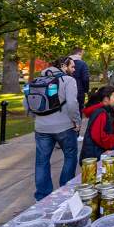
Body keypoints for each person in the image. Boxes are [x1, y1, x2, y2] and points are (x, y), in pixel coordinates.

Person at [24, 56, 81, 201]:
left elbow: (26, 103)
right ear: (63, 65)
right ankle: (66, 188)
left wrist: (38, 119)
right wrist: (77, 121)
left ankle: (43, 196)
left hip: (41, 129)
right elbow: (72, 104)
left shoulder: (36, 81)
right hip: (65, 127)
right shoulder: (68, 80)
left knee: (42, 161)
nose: (74, 70)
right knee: (70, 156)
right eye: (72, 66)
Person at [79, 86, 114, 162]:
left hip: (95, 153)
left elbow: (103, 129)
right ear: (106, 99)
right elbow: (99, 137)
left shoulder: (103, 111)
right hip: (94, 155)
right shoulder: (101, 113)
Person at [69, 47, 90, 114]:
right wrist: (86, 90)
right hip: (79, 91)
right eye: (82, 53)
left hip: (66, 89)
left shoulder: (65, 63)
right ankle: (77, 124)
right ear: (79, 53)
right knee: (78, 111)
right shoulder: (82, 63)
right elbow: (85, 78)